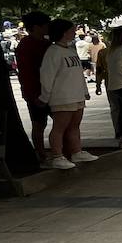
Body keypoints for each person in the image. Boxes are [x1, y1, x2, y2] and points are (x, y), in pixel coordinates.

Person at [39, 19, 92, 170]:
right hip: (62, 96)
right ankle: (57, 156)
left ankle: (77, 151)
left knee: (75, 126)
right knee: (59, 127)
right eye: (71, 30)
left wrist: (85, 91)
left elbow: (78, 74)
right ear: (64, 32)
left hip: (77, 95)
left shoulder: (70, 50)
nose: (74, 32)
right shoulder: (53, 52)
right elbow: (47, 76)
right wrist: (45, 96)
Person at [15, 11, 53, 166]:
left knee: (48, 122)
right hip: (36, 91)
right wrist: (34, 95)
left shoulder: (46, 43)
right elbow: (27, 73)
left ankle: (49, 152)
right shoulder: (26, 45)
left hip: (49, 89)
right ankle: (41, 154)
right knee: (39, 123)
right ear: (37, 27)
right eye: (45, 25)